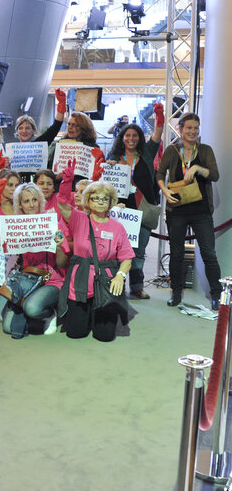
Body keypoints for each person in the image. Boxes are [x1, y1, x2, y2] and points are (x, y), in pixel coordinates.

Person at [56, 162, 135, 342]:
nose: (100, 202)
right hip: (80, 281)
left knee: (105, 336)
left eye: (104, 199)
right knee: (75, 333)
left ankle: (98, 317)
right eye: (95, 198)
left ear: (110, 202)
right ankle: (85, 317)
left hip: (106, 284)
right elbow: (62, 204)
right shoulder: (78, 219)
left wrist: (120, 276)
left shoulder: (117, 228)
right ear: (88, 201)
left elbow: (127, 257)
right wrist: (66, 182)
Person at [156, 112, 221, 310]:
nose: (192, 131)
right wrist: (164, 189)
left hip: (201, 210)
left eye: (196, 127)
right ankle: (176, 292)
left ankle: (216, 295)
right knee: (176, 253)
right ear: (181, 129)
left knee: (209, 253)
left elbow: (215, 175)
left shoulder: (205, 150)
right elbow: (159, 173)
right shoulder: (172, 150)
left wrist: (199, 169)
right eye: (189, 127)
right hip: (177, 209)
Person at [106, 102, 164, 299]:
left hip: (142, 209)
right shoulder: (113, 156)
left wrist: (159, 114)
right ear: (122, 138)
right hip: (119, 211)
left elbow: (157, 134)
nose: (131, 139)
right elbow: (104, 180)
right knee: (115, 251)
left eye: (134, 136)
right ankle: (116, 286)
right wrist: (108, 165)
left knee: (138, 252)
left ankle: (137, 287)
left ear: (139, 138)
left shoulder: (146, 154)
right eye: (127, 135)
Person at [0, 183, 69, 335]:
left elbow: (62, 263)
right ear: (20, 205)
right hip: (27, 281)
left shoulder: (55, 223)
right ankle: (32, 316)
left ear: (40, 201)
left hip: (53, 280)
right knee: (8, 328)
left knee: (32, 308)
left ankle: (50, 313)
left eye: (34, 200)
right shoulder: (16, 226)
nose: (31, 205)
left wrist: (59, 246)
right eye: (26, 201)